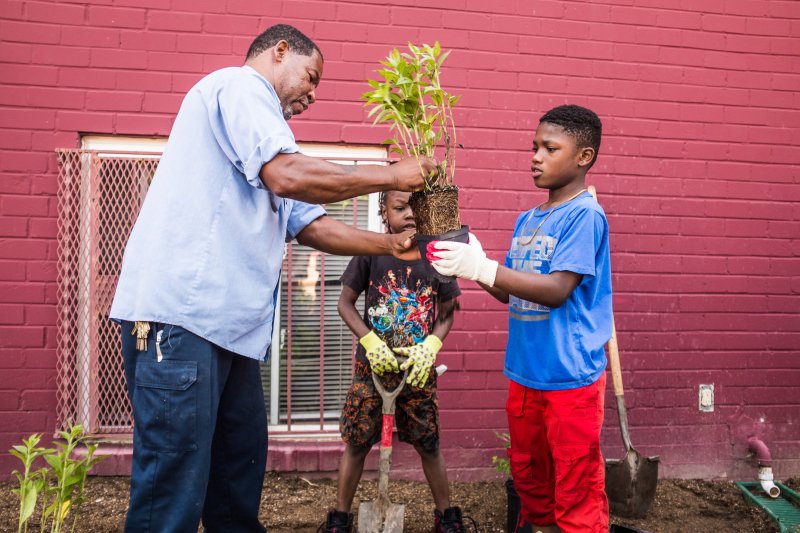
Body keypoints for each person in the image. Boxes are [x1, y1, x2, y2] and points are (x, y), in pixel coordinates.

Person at [109, 24, 437, 533]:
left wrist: (396, 247)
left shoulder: (268, 139)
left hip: (232, 334)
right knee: (170, 493)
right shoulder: (239, 89)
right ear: (279, 52)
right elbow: (288, 176)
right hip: (181, 322)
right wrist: (392, 175)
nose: (312, 93)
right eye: (311, 77)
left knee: (236, 480)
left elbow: (313, 225)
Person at [430, 105, 611, 533]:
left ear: (583, 157)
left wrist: (484, 268)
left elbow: (556, 290)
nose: (536, 156)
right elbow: (509, 289)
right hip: (526, 374)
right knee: (532, 485)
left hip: (571, 378)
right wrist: (472, 262)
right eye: (534, 147)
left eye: (550, 148)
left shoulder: (585, 215)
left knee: (576, 488)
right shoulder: (528, 220)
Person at [323, 190, 466, 533]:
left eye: (415, 207)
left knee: (428, 443)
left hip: (417, 371)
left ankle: (447, 519)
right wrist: (369, 340)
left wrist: (432, 343)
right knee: (358, 442)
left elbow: (447, 313)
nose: (409, 214)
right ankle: (340, 519)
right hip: (371, 369)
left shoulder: (437, 257)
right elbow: (345, 303)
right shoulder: (370, 251)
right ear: (384, 212)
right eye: (399, 207)